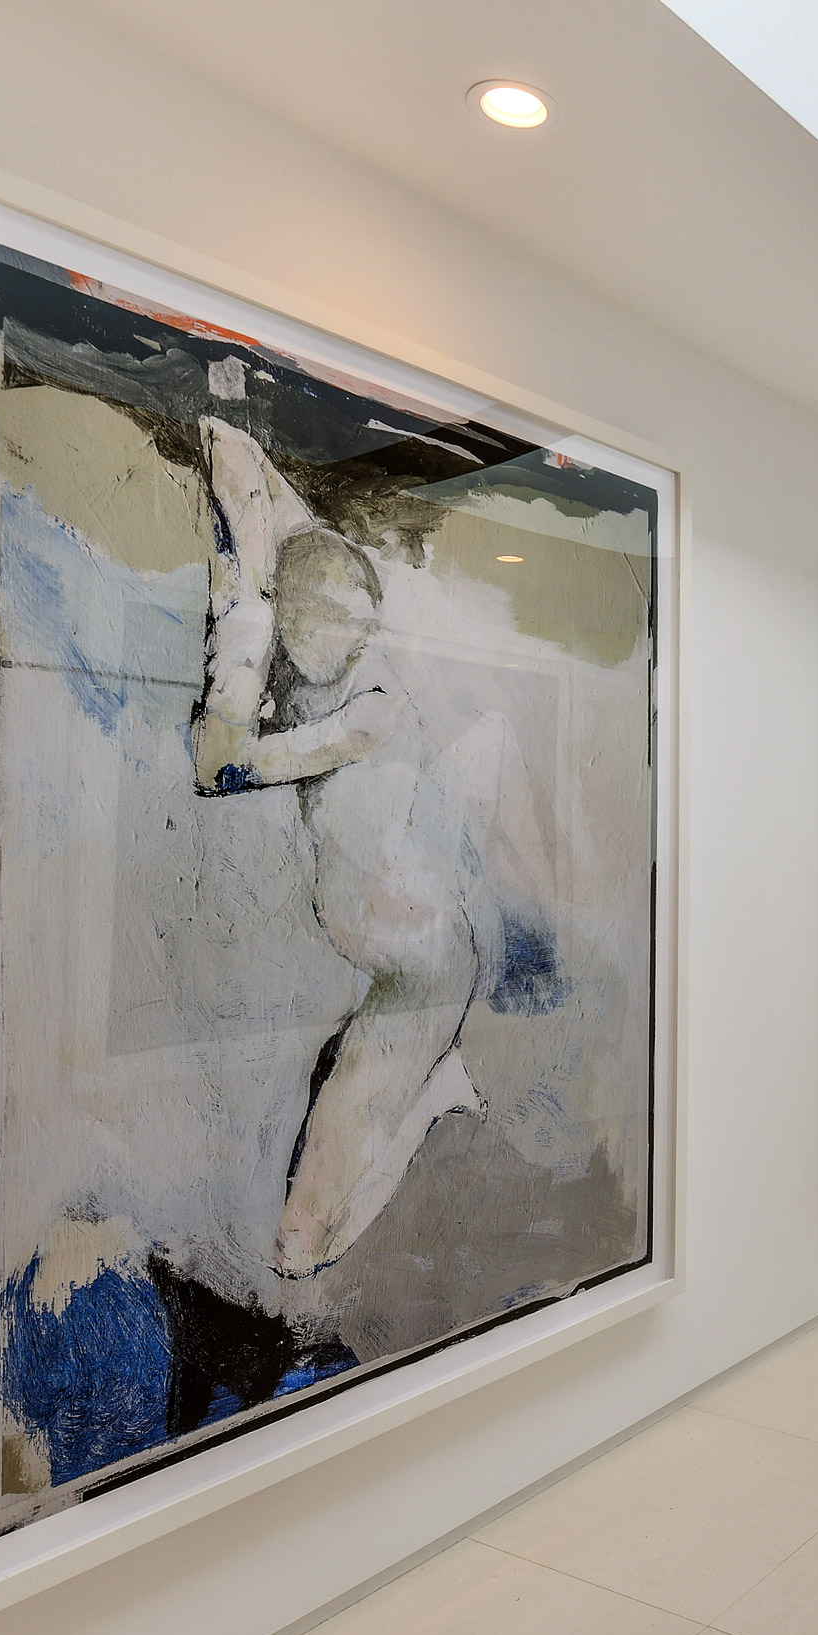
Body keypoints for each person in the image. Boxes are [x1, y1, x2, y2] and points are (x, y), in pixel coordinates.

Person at [191, 417, 559, 1277]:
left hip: (425, 970)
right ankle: (488, 1003)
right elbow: (242, 463)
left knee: (297, 1246)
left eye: (352, 632)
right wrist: (247, 559)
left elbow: (221, 765)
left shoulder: (369, 712)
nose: (340, 646)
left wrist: (242, 623)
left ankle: (437, 1088)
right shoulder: (307, 594)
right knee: (490, 746)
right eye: (318, 630)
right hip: (409, 899)